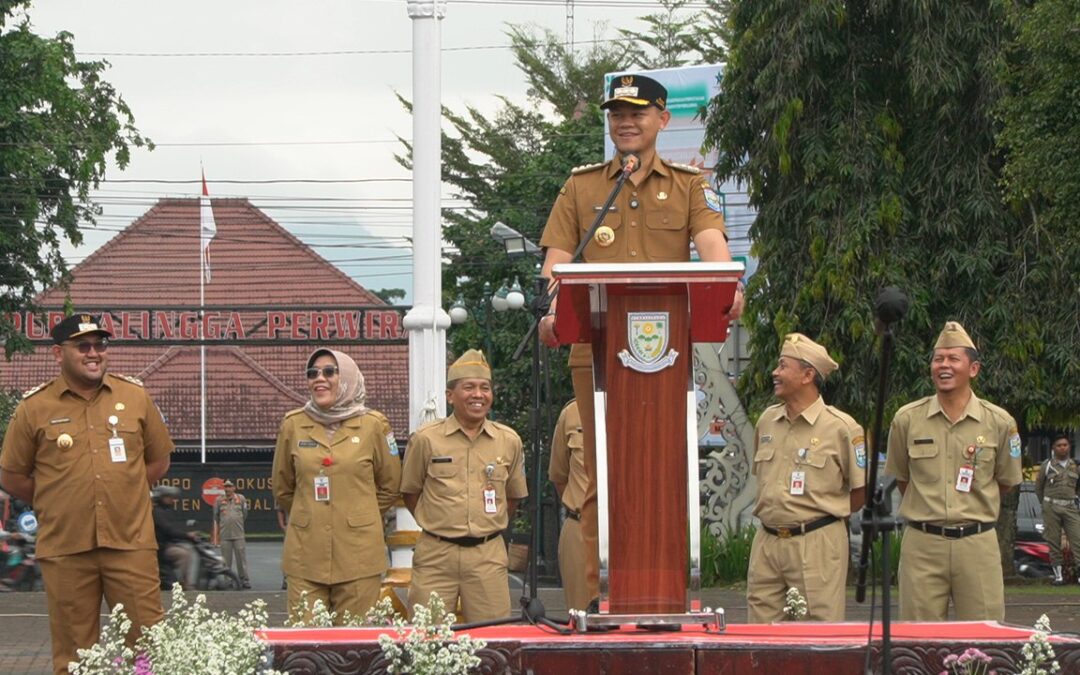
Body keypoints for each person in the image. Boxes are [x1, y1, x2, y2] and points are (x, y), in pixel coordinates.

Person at [538, 73, 744, 607]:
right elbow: (556, 263)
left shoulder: (689, 185)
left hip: (666, 358)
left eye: (637, 113)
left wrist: (730, 287)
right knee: (601, 479)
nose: (625, 122)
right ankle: (596, 604)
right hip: (596, 355)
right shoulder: (582, 187)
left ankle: (663, 603)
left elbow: (713, 250)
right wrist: (553, 307)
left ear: (662, 119)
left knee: (663, 476)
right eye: (617, 114)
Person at [0, 313, 174, 675]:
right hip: (66, 549)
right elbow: (12, 476)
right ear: (58, 353)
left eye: (100, 345)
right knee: (74, 658)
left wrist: (124, 491)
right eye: (82, 346)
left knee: (149, 649)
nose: (93, 353)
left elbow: (158, 461)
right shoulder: (34, 407)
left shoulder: (134, 396)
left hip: (130, 544)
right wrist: (55, 501)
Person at [885, 321, 1023, 621]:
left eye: (953, 359)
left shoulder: (999, 422)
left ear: (973, 369)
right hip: (923, 544)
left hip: (976, 543)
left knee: (984, 636)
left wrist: (970, 506)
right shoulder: (907, 419)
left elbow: (1006, 482)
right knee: (918, 638)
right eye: (938, 359)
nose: (943, 366)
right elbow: (903, 479)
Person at [271, 348, 401, 624]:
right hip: (306, 551)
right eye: (312, 373)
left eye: (330, 372)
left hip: (359, 552)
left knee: (354, 639)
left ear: (348, 377)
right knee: (306, 640)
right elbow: (283, 487)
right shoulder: (293, 424)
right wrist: (312, 513)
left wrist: (358, 514)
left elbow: (390, 486)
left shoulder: (374, 425)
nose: (320, 378)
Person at [401, 349, 528, 623]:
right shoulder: (425, 439)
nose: (478, 395)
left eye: (485, 388)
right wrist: (439, 523)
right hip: (436, 555)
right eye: (469, 387)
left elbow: (513, 497)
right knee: (427, 636)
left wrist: (486, 524)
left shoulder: (508, 441)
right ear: (450, 396)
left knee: (491, 637)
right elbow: (410, 492)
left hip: (487, 555)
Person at [746, 333, 866, 622]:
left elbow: (859, 491)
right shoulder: (767, 421)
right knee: (760, 632)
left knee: (817, 630)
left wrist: (819, 518)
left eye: (783, 366)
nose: (775, 373)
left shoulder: (842, 427)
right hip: (767, 541)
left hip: (816, 543)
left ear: (808, 375)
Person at [547, 399, 591, 611]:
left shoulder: (648, 408)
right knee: (582, 617)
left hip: (635, 535)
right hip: (582, 529)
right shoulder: (573, 412)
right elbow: (559, 476)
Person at [1035, 434, 1080, 585]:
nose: (1062, 448)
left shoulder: (1075, 466)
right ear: (1054, 448)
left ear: (1069, 447)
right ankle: (1059, 576)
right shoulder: (1047, 465)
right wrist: (1045, 504)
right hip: (1051, 506)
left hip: (1070, 506)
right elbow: (1039, 487)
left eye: (1065, 445)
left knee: (1077, 539)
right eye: (1059, 445)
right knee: (1053, 541)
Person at [151, 485, 198, 588]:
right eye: (169, 497)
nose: (172, 500)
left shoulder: (165, 511)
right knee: (184, 554)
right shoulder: (157, 512)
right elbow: (169, 530)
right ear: (161, 497)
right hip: (160, 547)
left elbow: (174, 528)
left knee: (188, 548)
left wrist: (186, 534)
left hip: (167, 544)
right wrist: (187, 535)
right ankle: (184, 583)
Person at [212, 479, 251, 589]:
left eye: (230, 486)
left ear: (234, 488)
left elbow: (245, 514)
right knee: (226, 560)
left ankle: (244, 580)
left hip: (238, 534)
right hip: (225, 535)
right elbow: (216, 517)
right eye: (226, 487)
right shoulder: (219, 500)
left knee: (241, 559)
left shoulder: (241, 499)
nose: (227, 489)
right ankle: (227, 580)